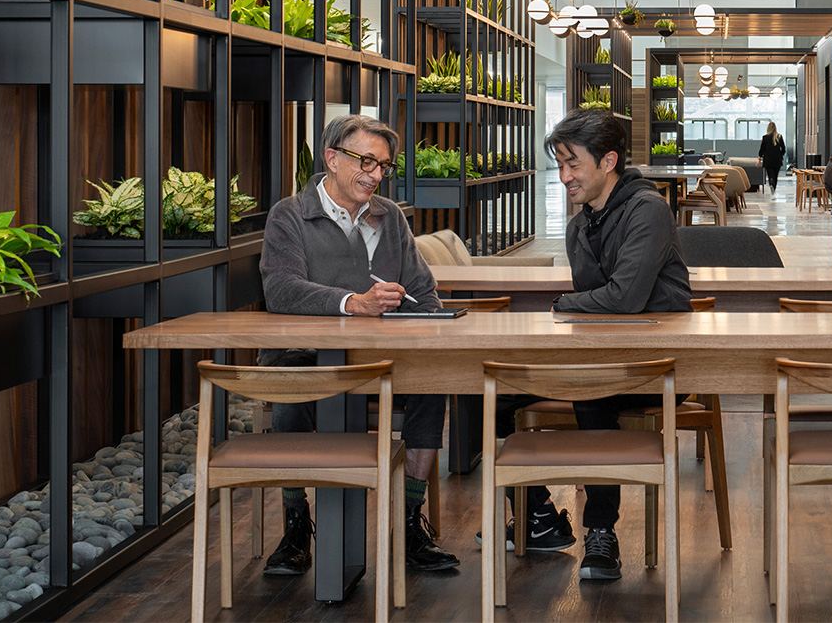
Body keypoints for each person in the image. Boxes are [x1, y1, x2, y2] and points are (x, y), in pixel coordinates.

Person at [490, 108, 692, 582]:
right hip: (600, 356)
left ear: (608, 162)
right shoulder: (581, 225)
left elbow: (623, 297)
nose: (563, 177)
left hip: (658, 364)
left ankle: (601, 531)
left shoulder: (648, 210)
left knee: (590, 390)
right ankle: (538, 514)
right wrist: (578, 307)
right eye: (559, 165)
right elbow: (598, 307)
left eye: (572, 164)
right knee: (490, 389)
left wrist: (565, 302)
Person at [258, 114, 460, 576]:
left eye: (383, 165)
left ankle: (409, 523)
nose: (375, 174)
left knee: (434, 381)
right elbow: (282, 290)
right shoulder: (289, 215)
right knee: (291, 383)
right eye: (366, 161)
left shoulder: (391, 219)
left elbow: (422, 290)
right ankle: (295, 525)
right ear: (331, 158)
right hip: (306, 357)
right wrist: (353, 302)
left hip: (381, 360)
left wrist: (430, 315)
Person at [758, 122, 786, 194]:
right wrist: (780, 155)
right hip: (777, 160)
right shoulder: (779, 137)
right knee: (775, 176)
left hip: (768, 160)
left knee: (770, 176)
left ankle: (771, 186)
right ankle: (773, 190)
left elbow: (762, 149)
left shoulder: (765, 137)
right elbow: (783, 149)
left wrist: (760, 157)